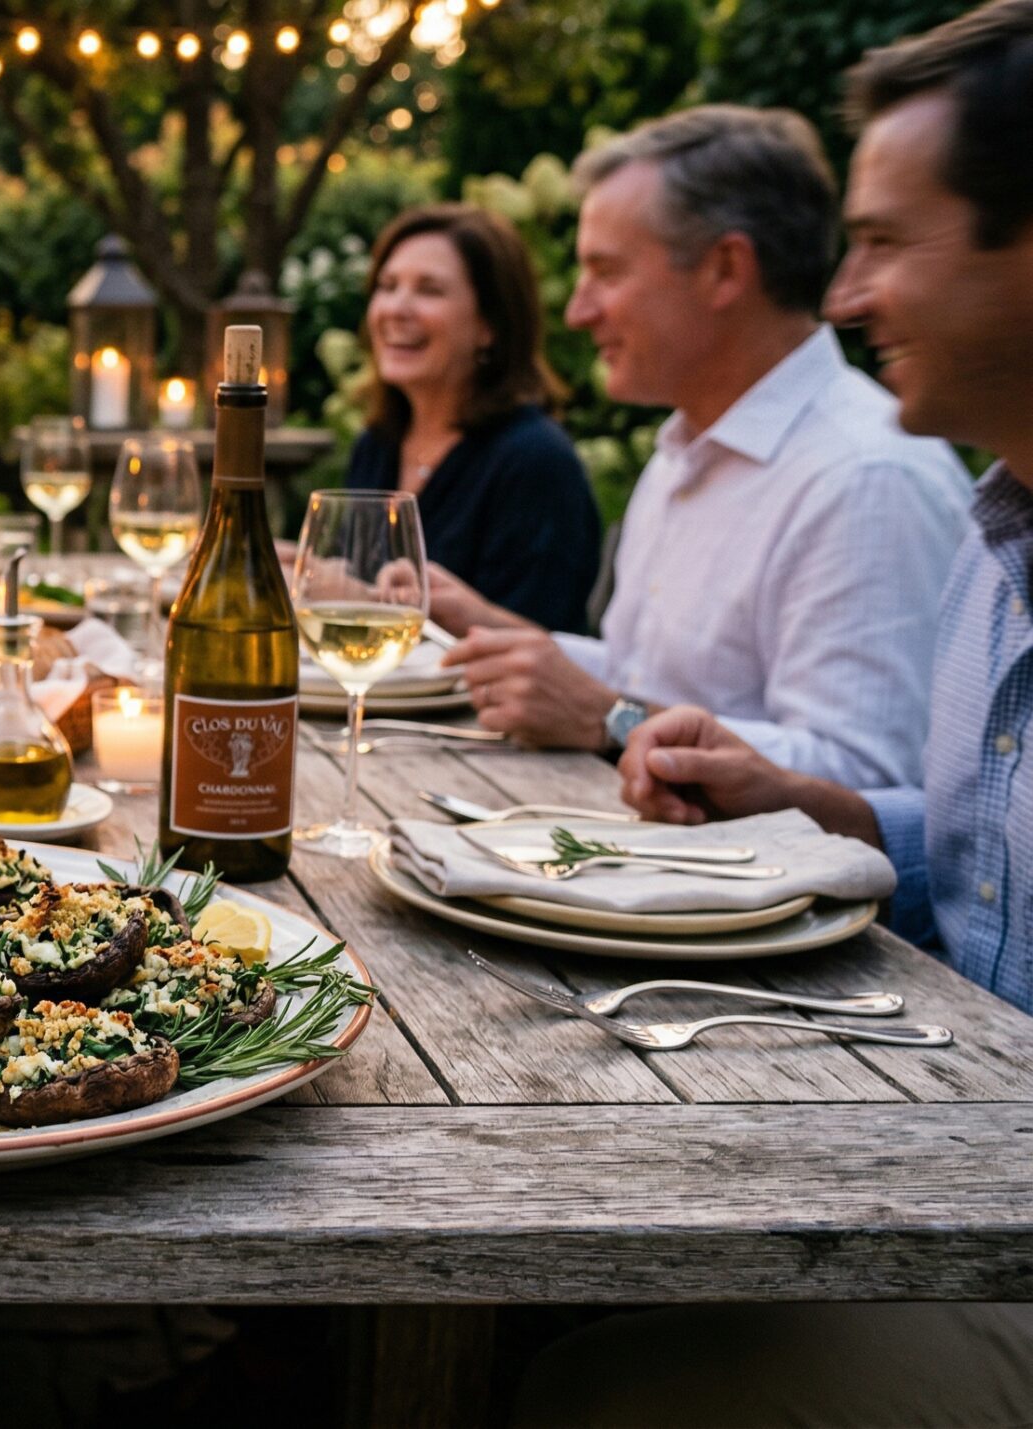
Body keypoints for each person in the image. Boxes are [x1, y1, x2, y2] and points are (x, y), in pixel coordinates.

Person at [514, 7, 1033, 1423]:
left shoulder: (869, 477)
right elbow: (982, 851)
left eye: (887, 242)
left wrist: (614, 716)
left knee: (583, 1385)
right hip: (941, 1132)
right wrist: (829, 811)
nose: (847, 294)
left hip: (973, 1194)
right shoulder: (997, 533)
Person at [436, 106, 970, 788]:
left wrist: (611, 719)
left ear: (725, 270)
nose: (578, 310)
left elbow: (871, 783)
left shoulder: (866, 478)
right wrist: (490, 632)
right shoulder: (685, 451)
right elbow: (645, 678)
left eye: (606, 272)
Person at [344, 204, 601, 633]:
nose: (395, 309)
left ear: (489, 325)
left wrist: (348, 595)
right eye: (387, 287)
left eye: (429, 290)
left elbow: (545, 649)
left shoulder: (535, 463)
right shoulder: (377, 445)